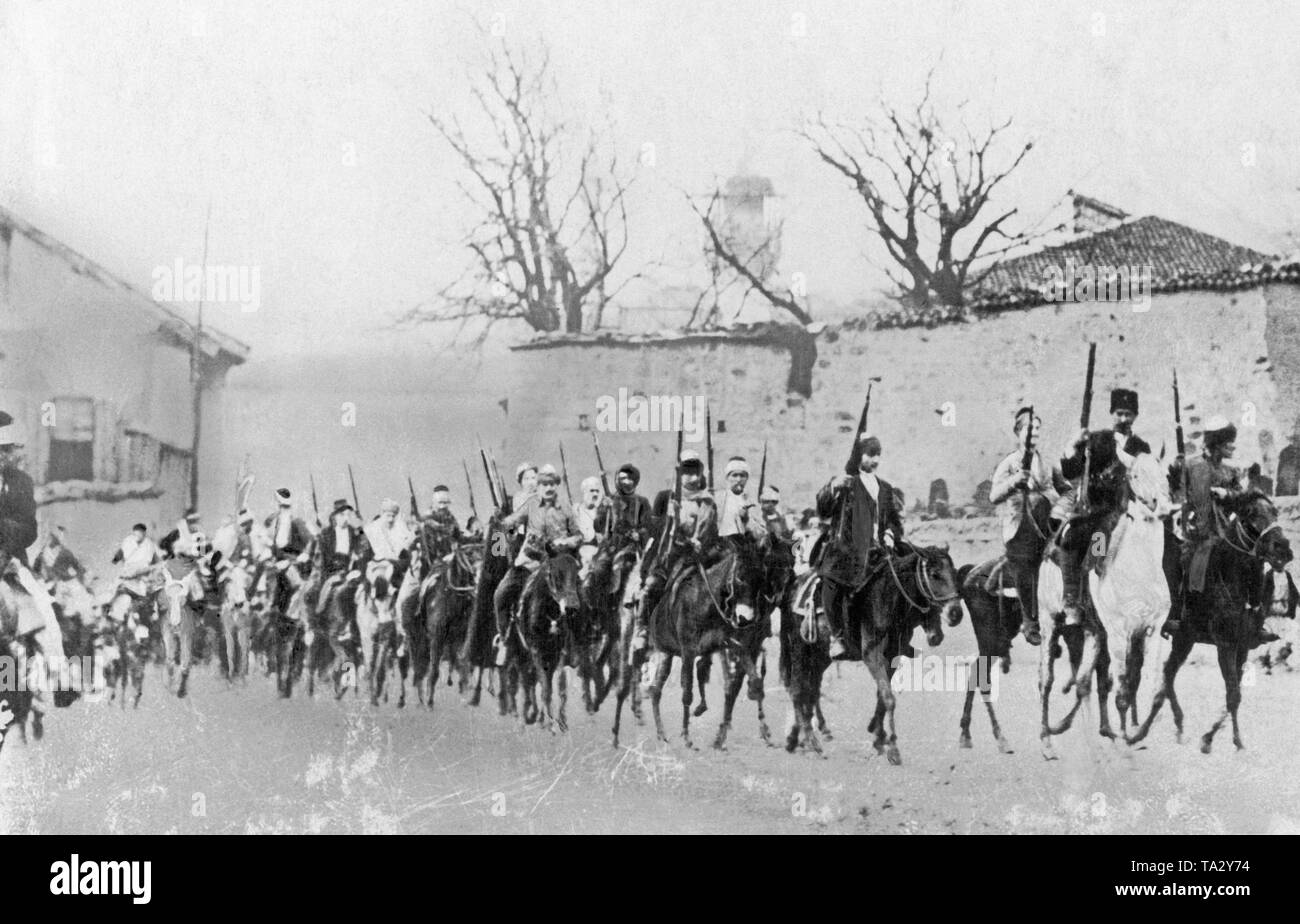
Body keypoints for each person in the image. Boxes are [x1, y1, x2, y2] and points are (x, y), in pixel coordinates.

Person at [0, 410, 67, 726]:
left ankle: (60, 677)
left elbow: (29, 529)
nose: (3, 457)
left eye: (5, 450)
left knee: (44, 609)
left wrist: (3, 529)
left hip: (9, 561)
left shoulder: (21, 482)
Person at [1164, 416, 1256, 640]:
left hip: (1225, 531)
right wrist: (1179, 477)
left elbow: (1240, 499)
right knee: (1190, 565)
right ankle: (1180, 616)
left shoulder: (1230, 471)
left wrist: (1227, 494)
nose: (1233, 447)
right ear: (1216, 444)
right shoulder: (1191, 464)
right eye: (1228, 443)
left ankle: (1253, 614)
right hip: (1196, 532)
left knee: (1252, 561)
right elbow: (1175, 492)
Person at [987, 407, 1072, 645]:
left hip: (1049, 524)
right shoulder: (1009, 463)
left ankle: (1068, 607)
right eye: (1029, 429)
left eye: (1037, 429)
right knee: (1024, 564)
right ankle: (1030, 621)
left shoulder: (1047, 462)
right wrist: (1015, 482)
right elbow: (994, 496)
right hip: (1020, 528)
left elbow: (1067, 490)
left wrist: (1059, 510)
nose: (1033, 433)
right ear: (1018, 432)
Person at [815, 434, 904, 660]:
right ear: (858, 456)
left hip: (878, 553)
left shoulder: (885, 488)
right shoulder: (845, 482)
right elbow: (823, 509)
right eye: (870, 455)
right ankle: (837, 637)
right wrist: (833, 486)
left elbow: (894, 520)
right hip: (846, 552)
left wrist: (891, 534)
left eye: (878, 456)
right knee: (830, 583)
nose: (874, 460)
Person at [632, 453, 720, 652]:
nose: (692, 478)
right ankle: (642, 629)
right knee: (652, 586)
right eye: (687, 473)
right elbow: (656, 529)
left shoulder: (708, 502)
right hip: (672, 556)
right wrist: (671, 517)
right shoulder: (667, 498)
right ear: (680, 475)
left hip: (701, 558)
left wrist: (702, 544)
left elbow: (712, 532)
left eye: (695, 473)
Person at [492, 465, 583, 644]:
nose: (548, 488)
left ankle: (578, 645)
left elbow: (578, 536)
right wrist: (502, 524)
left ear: (557, 486)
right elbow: (508, 524)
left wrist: (565, 542)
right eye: (544, 484)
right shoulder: (531, 505)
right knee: (500, 595)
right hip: (529, 562)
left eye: (552, 484)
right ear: (539, 486)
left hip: (559, 564)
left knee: (579, 600)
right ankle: (504, 639)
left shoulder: (565, 508)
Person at [716, 456, 766, 546]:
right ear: (727, 477)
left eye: (742, 476)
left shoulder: (752, 503)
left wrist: (747, 520)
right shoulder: (718, 499)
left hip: (743, 547)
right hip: (720, 546)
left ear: (747, 478)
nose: (738, 480)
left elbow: (761, 533)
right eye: (734, 475)